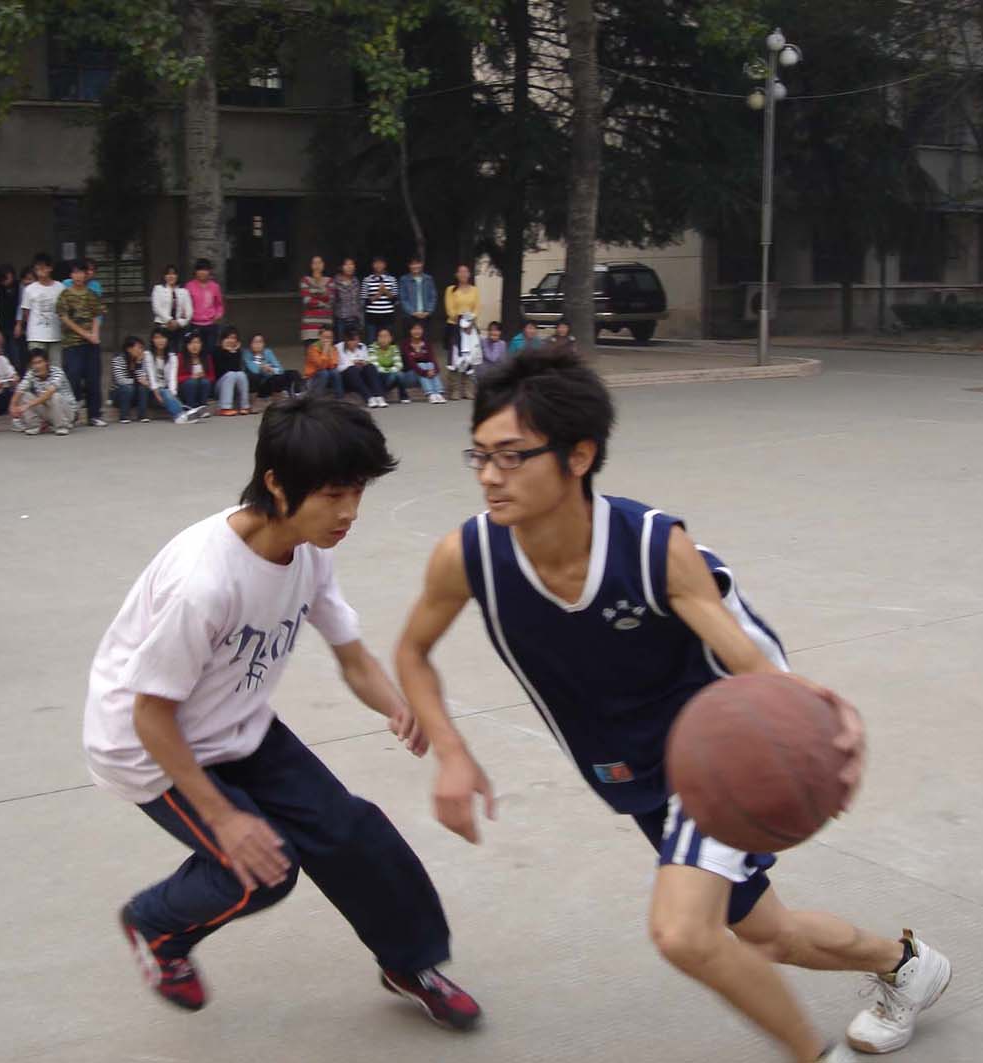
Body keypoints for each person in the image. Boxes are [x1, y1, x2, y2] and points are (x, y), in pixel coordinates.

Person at [394, 351, 952, 1063]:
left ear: (577, 456)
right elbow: (412, 651)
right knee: (766, 934)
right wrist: (450, 751)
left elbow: (749, 660)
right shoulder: (468, 556)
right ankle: (907, 966)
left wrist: (809, 715)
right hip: (630, 771)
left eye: (511, 456)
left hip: (714, 754)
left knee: (683, 932)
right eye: (479, 455)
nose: (489, 476)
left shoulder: (653, 547)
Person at [83, 393, 482, 1028]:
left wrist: (395, 706)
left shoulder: (310, 548)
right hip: (148, 746)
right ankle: (155, 925)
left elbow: (351, 656)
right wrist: (225, 818)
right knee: (260, 867)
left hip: (233, 723)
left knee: (352, 831)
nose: (349, 512)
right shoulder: (205, 582)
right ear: (275, 482)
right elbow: (150, 716)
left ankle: (409, 963)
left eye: (358, 491)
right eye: (332, 494)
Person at [57, 259, 107, 427]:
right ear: (71, 275)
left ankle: (94, 415)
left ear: (86, 275)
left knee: (93, 378)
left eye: (81, 273)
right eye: (75, 272)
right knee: (73, 377)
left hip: (91, 343)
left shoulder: (92, 294)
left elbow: (97, 314)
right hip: (72, 343)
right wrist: (85, 333)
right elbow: (64, 318)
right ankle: (71, 414)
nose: (78, 276)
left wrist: (95, 334)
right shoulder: (65, 294)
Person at [144, 328, 204, 425]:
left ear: (167, 340)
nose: (160, 340)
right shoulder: (148, 355)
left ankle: (183, 414)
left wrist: (172, 394)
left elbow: (173, 378)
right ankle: (181, 415)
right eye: (157, 338)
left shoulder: (172, 357)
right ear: (152, 340)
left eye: (163, 337)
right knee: (164, 392)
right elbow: (151, 377)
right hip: (151, 392)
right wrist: (157, 394)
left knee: (166, 392)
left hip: (167, 392)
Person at [11, 349, 77, 436]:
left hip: (67, 412)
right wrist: (12, 406)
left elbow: (49, 393)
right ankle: (34, 426)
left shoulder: (57, 372)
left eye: (39, 362)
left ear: (47, 362)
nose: (37, 366)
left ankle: (62, 426)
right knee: (24, 395)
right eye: (34, 363)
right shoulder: (31, 373)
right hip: (49, 410)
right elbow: (20, 389)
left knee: (55, 396)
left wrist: (27, 405)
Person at [19, 253, 64, 369]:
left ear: (50, 268)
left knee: (56, 369)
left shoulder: (60, 287)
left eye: (43, 267)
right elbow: (26, 313)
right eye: (37, 267)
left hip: (55, 335)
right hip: (36, 336)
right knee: (37, 368)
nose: (40, 270)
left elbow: (64, 310)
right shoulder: (29, 289)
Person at [336, 327, 387, 409]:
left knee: (370, 367)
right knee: (352, 370)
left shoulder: (362, 346)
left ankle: (379, 396)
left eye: (357, 340)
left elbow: (367, 360)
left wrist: (363, 363)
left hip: (361, 374)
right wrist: (352, 364)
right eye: (353, 340)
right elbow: (338, 367)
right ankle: (369, 397)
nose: (355, 342)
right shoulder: (338, 348)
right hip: (347, 377)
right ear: (346, 340)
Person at [245, 332, 300, 402]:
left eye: (260, 342)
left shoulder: (268, 352)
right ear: (250, 344)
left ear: (264, 344)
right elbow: (254, 370)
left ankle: (298, 396)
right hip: (257, 386)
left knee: (293, 373)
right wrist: (263, 368)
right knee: (254, 376)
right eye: (255, 342)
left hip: (269, 383)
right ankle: (254, 402)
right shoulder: (246, 353)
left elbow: (280, 369)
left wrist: (271, 369)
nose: (258, 345)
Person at [111, 335, 153, 423]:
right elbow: (120, 380)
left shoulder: (139, 359)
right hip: (119, 395)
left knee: (143, 387)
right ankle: (124, 416)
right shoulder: (118, 359)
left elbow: (142, 379)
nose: (141, 350)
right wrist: (136, 381)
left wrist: (138, 364)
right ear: (129, 349)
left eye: (142, 348)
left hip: (134, 395)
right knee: (128, 387)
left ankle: (142, 415)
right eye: (138, 348)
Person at [152, 265, 194, 351]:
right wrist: (169, 320)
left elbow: (189, 312)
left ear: (177, 276)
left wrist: (178, 323)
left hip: (179, 328)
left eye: (173, 274)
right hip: (163, 326)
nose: (171, 276)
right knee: (163, 351)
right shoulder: (158, 289)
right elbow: (156, 308)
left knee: (178, 351)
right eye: (168, 274)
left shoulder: (184, 291)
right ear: (164, 276)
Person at [186, 258, 224, 353]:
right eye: (200, 269)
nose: (202, 272)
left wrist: (218, 315)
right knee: (196, 351)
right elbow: (185, 305)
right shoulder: (189, 286)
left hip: (211, 325)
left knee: (210, 351)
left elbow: (219, 305)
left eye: (205, 270)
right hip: (194, 325)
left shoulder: (215, 286)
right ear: (195, 272)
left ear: (209, 271)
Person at [0, 265, 25, 374]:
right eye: (5, 278)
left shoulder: (19, 286)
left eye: (10, 277)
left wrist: (19, 324)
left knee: (16, 356)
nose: (8, 281)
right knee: (2, 357)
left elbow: (21, 305)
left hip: (14, 325)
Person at [403, 320, 444, 404]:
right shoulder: (405, 344)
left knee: (430, 364)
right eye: (414, 329)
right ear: (409, 331)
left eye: (419, 329)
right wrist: (425, 372)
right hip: (411, 375)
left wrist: (434, 370)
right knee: (422, 364)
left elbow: (433, 358)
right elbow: (411, 363)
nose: (417, 331)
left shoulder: (426, 343)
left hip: (424, 372)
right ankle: (430, 394)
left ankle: (438, 393)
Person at [370, 326, 412, 405]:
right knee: (395, 374)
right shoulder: (372, 348)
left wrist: (390, 371)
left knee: (400, 374)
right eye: (381, 336)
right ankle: (380, 394)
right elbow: (375, 366)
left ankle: (403, 396)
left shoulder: (394, 348)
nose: (383, 339)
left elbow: (399, 365)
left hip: (390, 377)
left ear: (391, 338)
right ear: (377, 338)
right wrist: (390, 371)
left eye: (386, 336)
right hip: (379, 378)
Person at [443, 264, 479, 356]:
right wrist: (461, 323)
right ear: (456, 275)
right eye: (461, 272)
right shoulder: (450, 290)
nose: (463, 274)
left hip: (470, 326)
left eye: (465, 272)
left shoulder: (475, 290)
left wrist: (469, 323)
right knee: (454, 355)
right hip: (454, 325)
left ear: (469, 274)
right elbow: (449, 309)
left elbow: (476, 308)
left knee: (469, 355)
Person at [177, 330, 215, 416]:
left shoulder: (206, 357)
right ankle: (191, 407)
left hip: (201, 386)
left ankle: (203, 407)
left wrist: (204, 376)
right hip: (185, 388)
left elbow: (212, 377)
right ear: (186, 345)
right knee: (191, 382)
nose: (194, 346)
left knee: (205, 382)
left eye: (197, 343)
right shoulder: (181, 357)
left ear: (201, 344)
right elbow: (177, 377)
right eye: (191, 343)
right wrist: (191, 376)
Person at [213, 329, 250, 417]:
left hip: (234, 386)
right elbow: (222, 370)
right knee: (230, 374)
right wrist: (225, 351)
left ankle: (244, 406)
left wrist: (233, 352)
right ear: (222, 339)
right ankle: (225, 408)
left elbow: (236, 369)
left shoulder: (237, 352)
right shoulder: (216, 351)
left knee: (241, 374)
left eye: (233, 338)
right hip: (219, 386)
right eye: (228, 338)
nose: (231, 340)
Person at [361, 256, 399, 342]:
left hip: (388, 316)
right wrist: (378, 295)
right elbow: (364, 301)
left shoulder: (392, 279)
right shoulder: (367, 280)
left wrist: (386, 291)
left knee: (387, 341)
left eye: (381, 263)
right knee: (371, 341)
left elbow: (395, 300)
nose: (378, 265)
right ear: (373, 265)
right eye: (376, 263)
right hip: (372, 316)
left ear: (385, 265)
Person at [446, 312, 482, 402]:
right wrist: (457, 360)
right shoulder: (456, 333)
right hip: (457, 355)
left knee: (469, 374)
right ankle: (455, 391)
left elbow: (476, 346)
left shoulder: (475, 333)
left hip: (470, 355)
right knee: (454, 373)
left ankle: (468, 391)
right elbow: (454, 347)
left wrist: (472, 358)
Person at [399, 256, 436, 340]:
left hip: (425, 315)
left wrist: (428, 311)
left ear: (421, 264)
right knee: (408, 341)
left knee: (425, 341)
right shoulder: (404, 279)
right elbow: (403, 299)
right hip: (409, 316)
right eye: (412, 264)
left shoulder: (428, 279)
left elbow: (433, 296)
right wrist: (413, 312)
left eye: (417, 264)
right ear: (409, 266)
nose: (415, 266)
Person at [298, 255, 333, 343]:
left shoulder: (330, 281)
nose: (317, 265)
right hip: (310, 326)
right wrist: (323, 303)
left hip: (326, 325)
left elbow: (330, 299)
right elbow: (307, 301)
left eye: (319, 263)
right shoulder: (305, 280)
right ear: (311, 265)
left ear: (323, 265)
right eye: (315, 263)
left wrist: (315, 293)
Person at [302, 328, 342, 399]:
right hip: (312, 378)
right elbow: (320, 366)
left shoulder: (333, 348)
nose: (327, 340)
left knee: (335, 372)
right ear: (320, 337)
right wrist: (325, 352)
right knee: (324, 373)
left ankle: (339, 397)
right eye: (325, 337)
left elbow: (334, 365)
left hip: (326, 375)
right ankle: (316, 397)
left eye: (330, 338)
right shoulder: (313, 348)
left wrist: (330, 354)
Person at [331, 257, 362, 342]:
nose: (349, 267)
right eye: (346, 264)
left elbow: (358, 301)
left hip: (354, 319)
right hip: (341, 319)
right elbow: (332, 300)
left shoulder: (356, 281)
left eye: (351, 264)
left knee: (354, 344)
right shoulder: (335, 281)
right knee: (341, 344)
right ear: (341, 267)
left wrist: (360, 318)